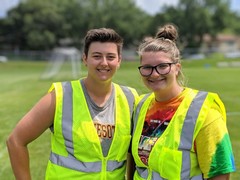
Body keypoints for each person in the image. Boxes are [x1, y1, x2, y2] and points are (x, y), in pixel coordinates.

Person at [6, 28, 138, 180]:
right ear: (84, 59)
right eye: (96, 56)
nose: (104, 62)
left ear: (119, 60)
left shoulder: (130, 98)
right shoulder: (61, 95)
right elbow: (15, 141)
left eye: (110, 57)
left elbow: (133, 153)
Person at [131, 24, 235, 179]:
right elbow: (134, 164)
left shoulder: (204, 111)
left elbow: (220, 172)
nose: (154, 74)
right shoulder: (140, 105)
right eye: (147, 67)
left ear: (177, 67)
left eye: (163, 66)